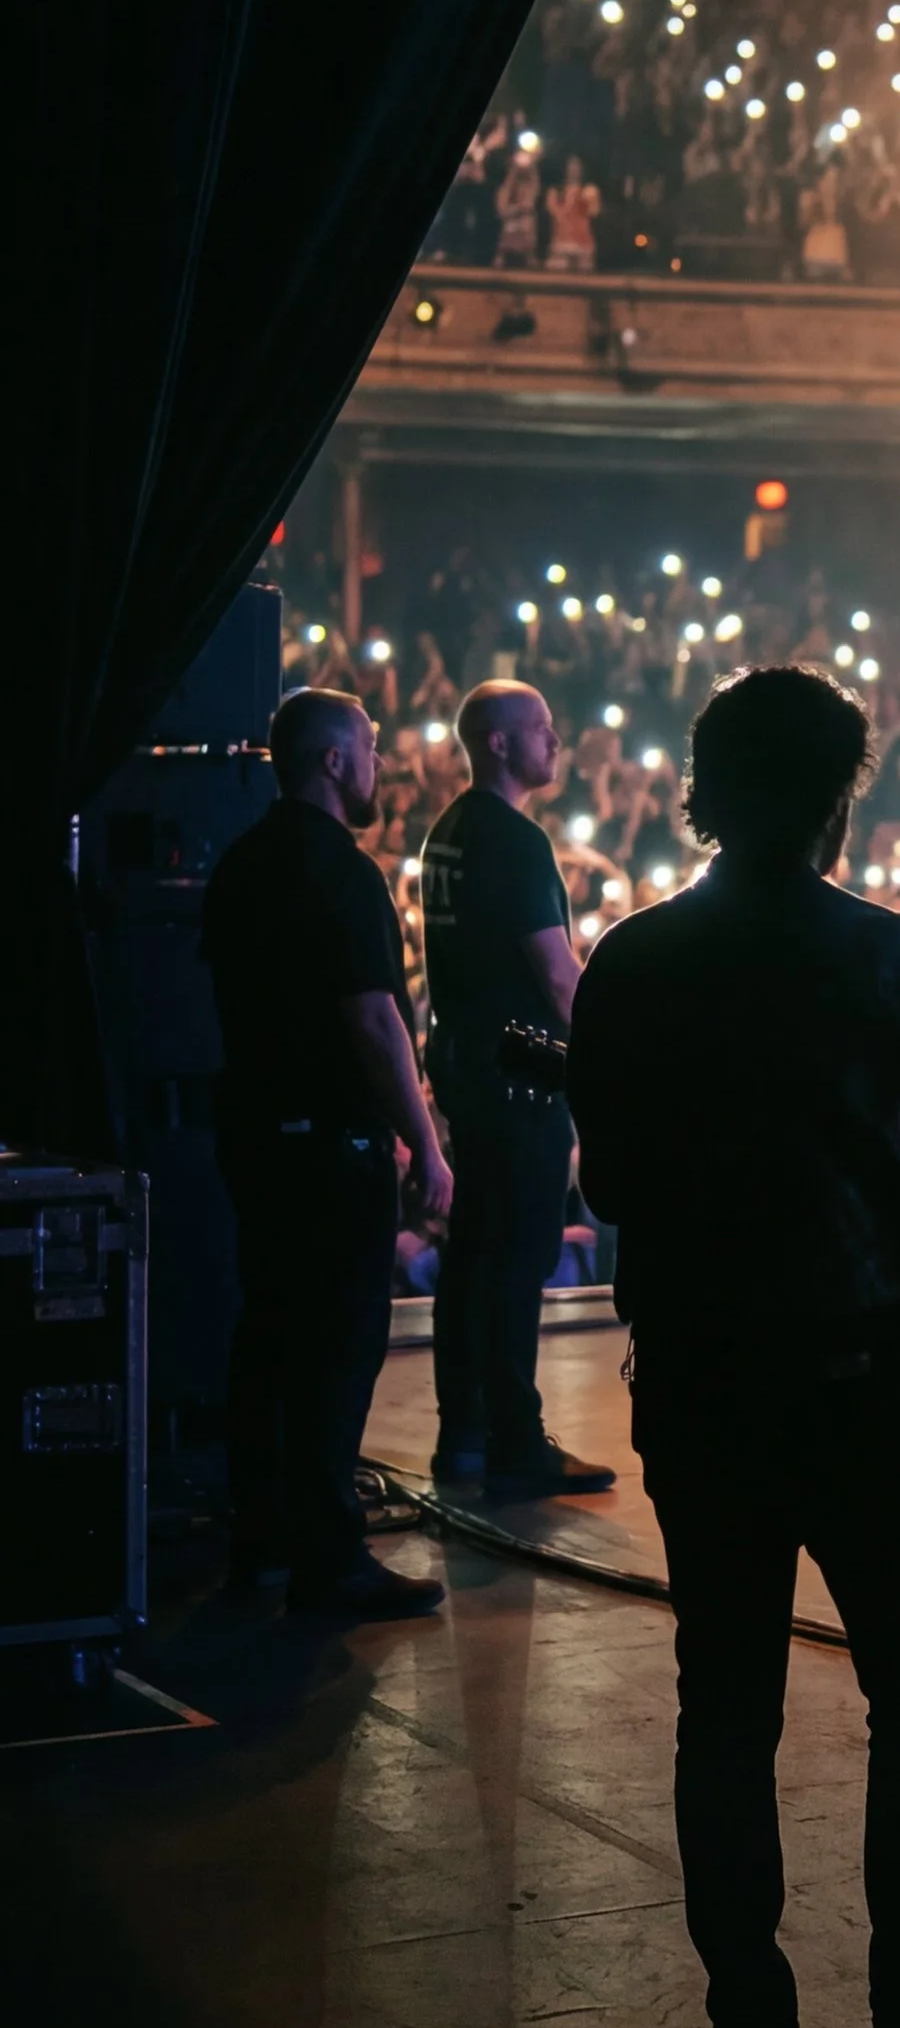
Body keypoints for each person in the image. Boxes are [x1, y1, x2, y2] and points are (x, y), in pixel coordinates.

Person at [566, 665, 900, 2028]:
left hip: (703, 1392)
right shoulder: (883, 953)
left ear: (703, 796)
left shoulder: (630, 965)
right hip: (864, 1387)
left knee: (722, 1712)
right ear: (841, 800)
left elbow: (606, 1186)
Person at [201, 690, 449, 1623]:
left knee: (267, 1335)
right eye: (372, 751)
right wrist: (424, 1140)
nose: (382, 767)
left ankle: (260, 1539)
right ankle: (329, 1558)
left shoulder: (243, 862)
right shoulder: (341, 873)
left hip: (254, 1134)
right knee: (338, 1349)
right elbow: (374, 1016)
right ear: (335, 763)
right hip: (329, 1147)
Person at [417, 684, 614, 1496]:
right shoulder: (518, 840)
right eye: (540, 727)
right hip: (521, 1074)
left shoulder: (446, 834)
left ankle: (461, 1431)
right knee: (515, 1256)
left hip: (466, 1062)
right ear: (498, 743)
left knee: (472, 1252)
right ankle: (515, 1437)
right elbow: (557, 973)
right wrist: (614, 1051)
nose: (556, 739)